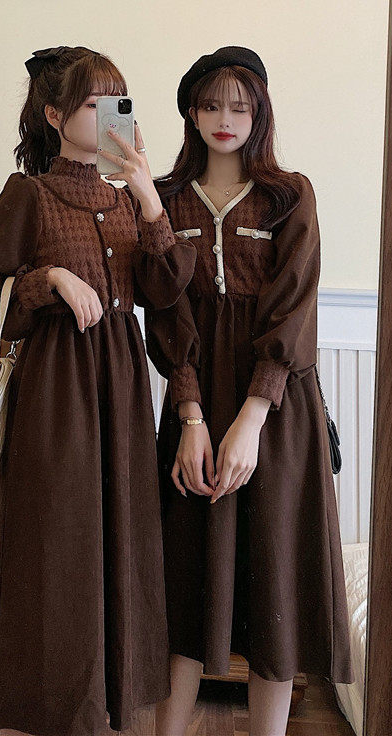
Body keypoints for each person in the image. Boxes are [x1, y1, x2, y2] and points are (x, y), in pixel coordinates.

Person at [0, 46, 196, 736]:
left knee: (119, 540)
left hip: (122, 393)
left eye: (119, 100)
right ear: (55, 115)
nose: (111, 114)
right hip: (56, 396)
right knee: (55, 547)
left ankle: (101, 703)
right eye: (93, 102)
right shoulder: (27, 194)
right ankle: (43, 706)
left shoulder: (127, 200)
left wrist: (147, 193)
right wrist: (49, 281)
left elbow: (166, 288)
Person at [144, 46, 354, 736]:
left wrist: (251, 420)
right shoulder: (166, 199)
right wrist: (192, 416)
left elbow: (294, 312)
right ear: (190, 112)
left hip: (277, 415)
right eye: (210, 105)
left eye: (239, 106)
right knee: (183, 590)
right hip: (195, 410)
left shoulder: (290, 195)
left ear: (260, 111)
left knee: (275, 599)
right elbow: (166, 312)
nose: (224, 119)